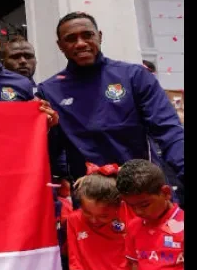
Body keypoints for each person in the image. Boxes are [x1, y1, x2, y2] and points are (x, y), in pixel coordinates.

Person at [37, 12, 184, 200]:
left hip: (142, 193)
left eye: (87, 35)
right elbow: (49, 152)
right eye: (71, 38)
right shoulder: (49, 91)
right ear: (60, 46)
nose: (81, 43)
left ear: (99, 36)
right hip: (92, 203)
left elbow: (169, 131)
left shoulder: (134, 76)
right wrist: (48, 129)